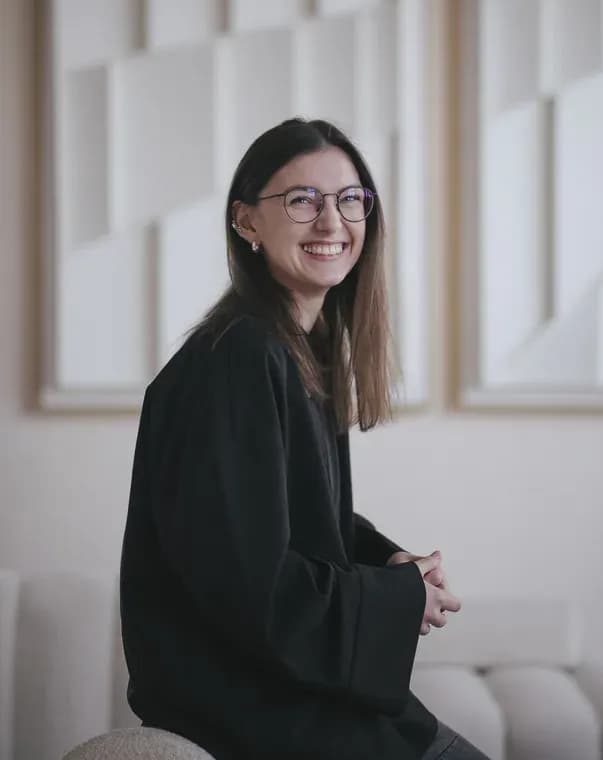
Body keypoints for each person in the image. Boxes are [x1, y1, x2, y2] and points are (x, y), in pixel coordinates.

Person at [120, 118, 490, 760]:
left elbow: (284, 515)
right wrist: (401, 599)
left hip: (286, 695)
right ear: (246, 221)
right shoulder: (235, 359)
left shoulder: (293, 351)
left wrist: (387, 562)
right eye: (302, 200)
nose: (331, 222)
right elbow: (253, 587)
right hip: (250, 706)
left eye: (350, 199)